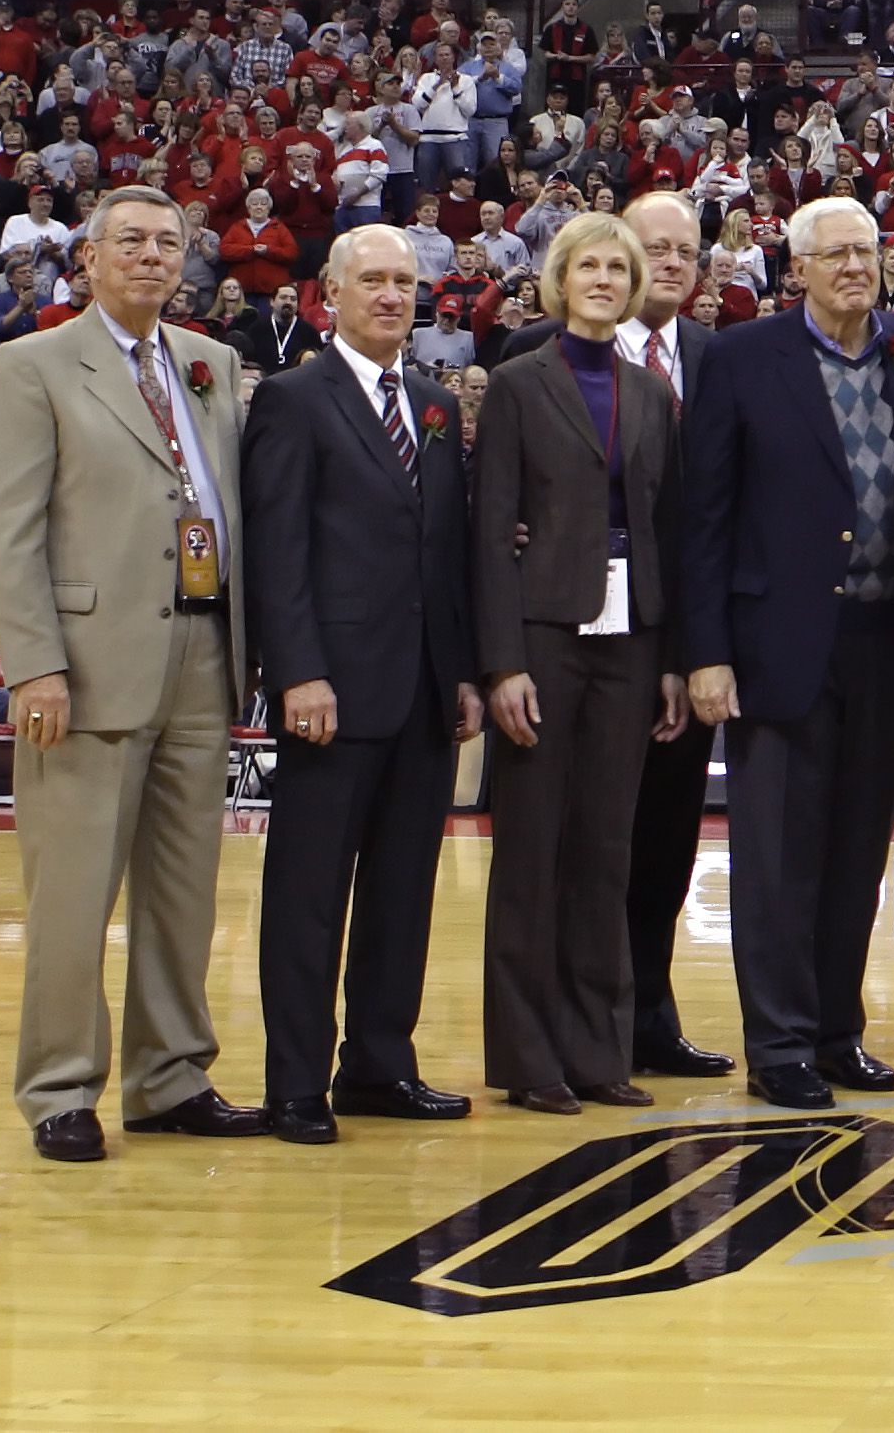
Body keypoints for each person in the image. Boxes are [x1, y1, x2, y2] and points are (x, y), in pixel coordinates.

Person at [0, 186, 269, 1162]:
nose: (151, 256)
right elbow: (5, 535)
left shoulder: (210, 361)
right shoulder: (33, 364)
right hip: (87, 666)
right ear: (88, 260)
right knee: (71, 893)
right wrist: (37, 666)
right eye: (130, 241)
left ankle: (171, 1075)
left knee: (184, 890)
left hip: (202, 652)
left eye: (167, 243)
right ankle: (59, 1088)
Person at [679, 197, 894, 1111]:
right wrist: (704, 651)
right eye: (834, 255)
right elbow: (702, 517)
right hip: (775, 643)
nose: (855, 268)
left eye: (866, 252)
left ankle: (837, 1032)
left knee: (860, 849)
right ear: (797, 269)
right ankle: (778, 1043)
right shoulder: (742, 358)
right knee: (780, 854)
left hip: (886, 637)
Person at [239, 226, 484, 1145]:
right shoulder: (295, 399)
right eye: (372, 281)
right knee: (308, 895)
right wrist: (296, 671)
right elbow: (278, 548)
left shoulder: (427, 400)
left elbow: (444, 554)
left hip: (422, 689)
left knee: (402, 892)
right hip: (329, 693)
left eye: (404, 282)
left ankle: (380, 1064)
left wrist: (459, 672)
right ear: (328, 295)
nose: (391, 295)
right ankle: (295, 1083)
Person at [501, 190, 729, 1081]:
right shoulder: (526, 362)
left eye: (681, 251)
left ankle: (636, 1024)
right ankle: (540, 1045)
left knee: (647, 844)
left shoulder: (713, 358)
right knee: (550, 845)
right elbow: (503, 513)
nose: (663, 262)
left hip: (657, 638)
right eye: (646, 248)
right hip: (557, 630)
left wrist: (688, 651)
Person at [469, 212, 690, 1115]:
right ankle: (530, 1060)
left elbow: (668, 528)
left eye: (617, 266)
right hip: (545, 635)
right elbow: (491, 531)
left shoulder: (650, 394)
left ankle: (599, 1051)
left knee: (607, 845)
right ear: (559, 281)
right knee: (532, 849)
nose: (602, 278)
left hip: (631, 638)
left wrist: (674, 658)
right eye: (586, 265)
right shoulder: (520, 384)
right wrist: (502, 663)